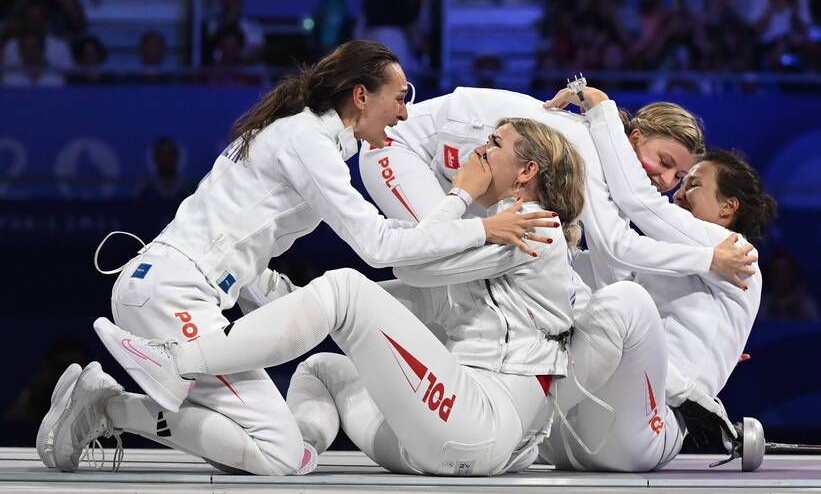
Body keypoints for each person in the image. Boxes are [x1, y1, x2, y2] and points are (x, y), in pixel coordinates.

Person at [37, 40, 555, 475]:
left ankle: (104, 399)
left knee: (240, 450)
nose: (405, 113)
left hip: (177, 287)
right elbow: (379, 247)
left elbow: (367, 238)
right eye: (399, 97)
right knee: (280, 456)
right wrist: (473, 217)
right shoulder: (306, 140)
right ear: (361, 95)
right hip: (174, 296)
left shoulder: (311, 138)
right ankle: (109, 404)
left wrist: (281, 302)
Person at [94, 117, 592, 476]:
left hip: (478, 422)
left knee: (346, 289)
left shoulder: (537, 228)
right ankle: (294, 452)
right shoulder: (501, 234)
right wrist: (281, 291)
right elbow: (422, 302)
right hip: (440, 433)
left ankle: (179, 360)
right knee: (320, 371)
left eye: (494, 143)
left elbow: (411, 264)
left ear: (526, 171)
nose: (478, 151)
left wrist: (459, 194)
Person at [535, 85, 777, 471]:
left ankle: (519, 414)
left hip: (649, 428)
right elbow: (605, 254)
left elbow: (638, 202)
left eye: (692, 182)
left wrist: (601, 115)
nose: (678, 193)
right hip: (576, 434)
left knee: (626, 300)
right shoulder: (665, 261)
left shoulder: (735, 252)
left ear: (728, 207)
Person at [357, 86, 754, 295]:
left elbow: (613, 271)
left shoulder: (603, 162)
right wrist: (708, 259)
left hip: (458, 180)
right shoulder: (585, 152)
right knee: (443, 259)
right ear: (633, 138)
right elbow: (618, 247)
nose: (667, 183)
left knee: (489, 269)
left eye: (678, 176)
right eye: (665, 162)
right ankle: (357, 302)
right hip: (399, 147)